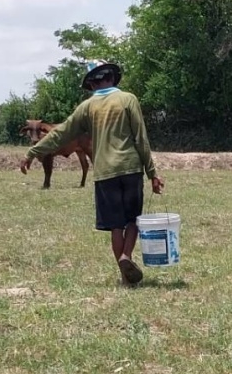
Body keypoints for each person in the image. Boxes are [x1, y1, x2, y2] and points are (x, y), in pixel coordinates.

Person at [21, 61, 165, 285]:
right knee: (133, 220)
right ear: (112, 78)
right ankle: (127, 256)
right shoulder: (128, 99)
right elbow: (141, 138)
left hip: (105, 172)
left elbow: (61, 134)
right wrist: (152, 173)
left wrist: (32, 152)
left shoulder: (88, 106)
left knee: (115, 225)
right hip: (130, 168)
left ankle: (124, 273)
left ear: (91, 83)